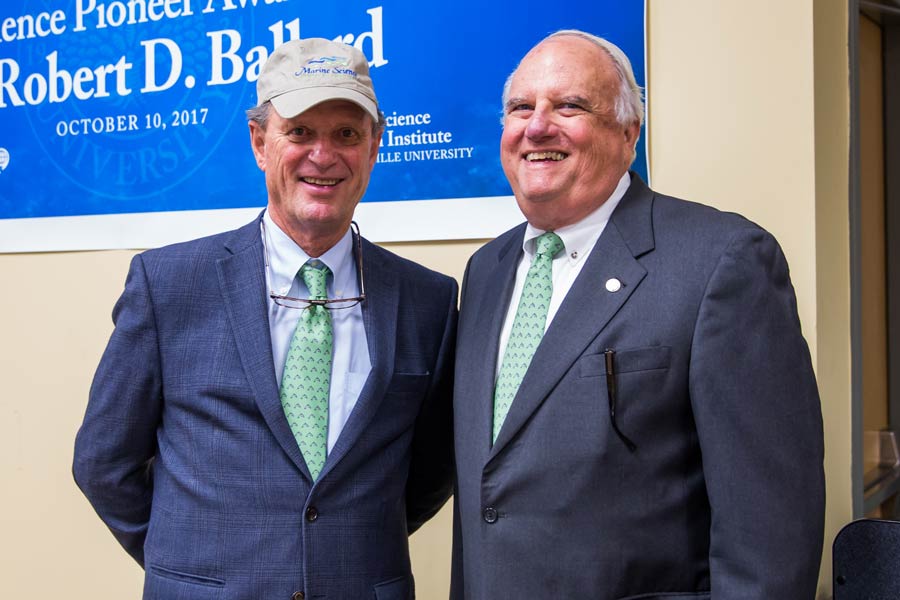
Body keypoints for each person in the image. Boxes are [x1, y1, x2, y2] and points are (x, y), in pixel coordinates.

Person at [74, 38, 457, 600]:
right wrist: (186, 562)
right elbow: (104, 462)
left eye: (347, 134)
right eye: (299, 132)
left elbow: (430, 469)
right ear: (260, 142)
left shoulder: (428, 301)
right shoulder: (169, 285)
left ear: (375, 147)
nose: (323, 156)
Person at [451, 29, 825, 599]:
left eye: (570, 106)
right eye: (520, 107)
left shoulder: (722, 262)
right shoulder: (487, 270)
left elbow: (769, 533)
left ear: (629, 134)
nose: (537, 126)